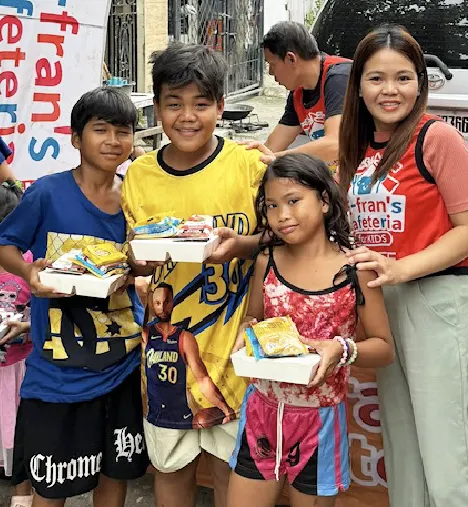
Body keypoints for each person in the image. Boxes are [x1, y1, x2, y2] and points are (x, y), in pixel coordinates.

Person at [337, 24, 468, 507]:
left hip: (437, 303)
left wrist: (402, 268)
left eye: (404, 78)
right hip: (381, 309)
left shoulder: (436, 138)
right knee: (404, 463)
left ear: (421, 83)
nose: (390, 90)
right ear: (358, 85)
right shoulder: (356, 146)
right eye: (377, 78)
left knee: (450, 472)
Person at [121, 42, 268, 507]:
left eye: (201, 104)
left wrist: (242, 245)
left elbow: (284, 237)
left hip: (236, 351)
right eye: (174, 104)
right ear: (157, 108)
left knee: (230, 473)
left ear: (221, 107)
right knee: (171, 468)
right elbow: (136, 258)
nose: (188, 116)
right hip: (163, 357)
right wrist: (137, 266)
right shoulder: (139, 175)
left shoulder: (248, 166)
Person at [0, 88, 148, 507]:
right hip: (57, 370)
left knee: (114, 472)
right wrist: (30, 271)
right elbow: (5, 244)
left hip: (120, 362)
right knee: (53, 483)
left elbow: (139, 264)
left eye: (123, 131)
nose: (112, 141)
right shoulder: (47, 193)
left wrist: (141, 265)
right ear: (76, 138)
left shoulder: (134, 198)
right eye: (100, 130)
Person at [226, 154, 395, 507]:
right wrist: (247, 333)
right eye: (272, 205)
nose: (282, 215)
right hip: (261, 412)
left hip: (319, 420)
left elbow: (384, 348)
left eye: (293, 201)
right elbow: (252, 318)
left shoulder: (355, 270)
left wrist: (341, 350)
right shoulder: (265, 262)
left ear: (323, 200)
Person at [256, 21, 350, 167]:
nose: (270, 72)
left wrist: (278, 158)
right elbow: (271, 147)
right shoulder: (298, 93)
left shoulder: (340, 78)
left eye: (272, 64)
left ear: (291, 59)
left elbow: (336, 144)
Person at [142, 284, 232, 429]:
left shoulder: (184, 337)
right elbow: (138, 321)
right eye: (157, 303)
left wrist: (225, 407)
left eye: (166, 302)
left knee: (202, 421)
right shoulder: (146, 334)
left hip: (181, 414)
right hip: (155, 415)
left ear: (173, 303)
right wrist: (147, 297)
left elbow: (202, 379)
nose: (162, 308)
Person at [0, 181, 33, 507]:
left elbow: (46, 312)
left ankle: (21, 495)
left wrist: (27, 325)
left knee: (21, 437)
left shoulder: (29, 264)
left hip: (19, 368)